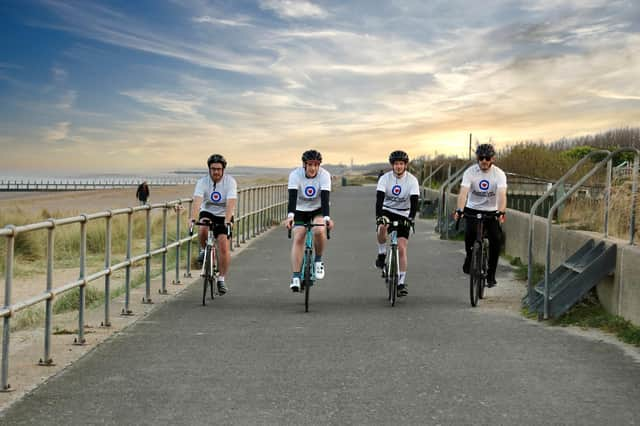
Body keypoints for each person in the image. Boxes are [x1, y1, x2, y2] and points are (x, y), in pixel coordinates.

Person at [453, 143, 507, 287]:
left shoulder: (499, 174)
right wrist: (460, 209)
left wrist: (501, 211)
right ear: (477, 158)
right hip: (473, 209)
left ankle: (491, 275)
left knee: (496, 240)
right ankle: (470, 256)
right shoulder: (470, 172)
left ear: (492, 159)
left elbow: (502, 195)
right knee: (469, 236)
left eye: (487, 158)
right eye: (481, 158)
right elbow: (463, 192)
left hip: (491, 211)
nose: (484, 161)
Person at [285, 149, 334, 292]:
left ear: (319, 165)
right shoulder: (295, 175)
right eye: (310, 164)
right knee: (299, 235)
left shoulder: (324, 175)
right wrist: (290, 217)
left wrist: (327, 219)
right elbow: (292, 198)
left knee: (319, 230)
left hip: (318, 209)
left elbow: (325, 199)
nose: (313, 168)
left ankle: (318, 260)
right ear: (304, 165)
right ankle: (295, 277)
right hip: (299, 210)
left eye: (316, 164)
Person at [189, 154, 237, 295]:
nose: (216, 172)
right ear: (209, 169)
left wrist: (227, 221)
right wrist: (192, 218)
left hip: (224, 214)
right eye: (213, 169)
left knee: (223, 245)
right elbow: (197, 201)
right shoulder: (203, 182)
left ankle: (221, 279)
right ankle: (204, 250)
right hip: (208, 211)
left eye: (218, 169)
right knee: (203, 227)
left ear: (223, 170)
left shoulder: (230, 182)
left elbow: (230, 203)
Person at [375, 150, 420, 296]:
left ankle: (401, 282)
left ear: (405, 165)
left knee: (401, 248)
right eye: (396, 164)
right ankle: (382, 254)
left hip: (404, 213)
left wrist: (411, 219)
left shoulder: (412, 180)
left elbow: (414, 202)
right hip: (387, 210)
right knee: (382, 226)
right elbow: (379, 199)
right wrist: (379, 216)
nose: (398, 167)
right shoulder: (385, 179)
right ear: (392, 165)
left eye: (401, 164)